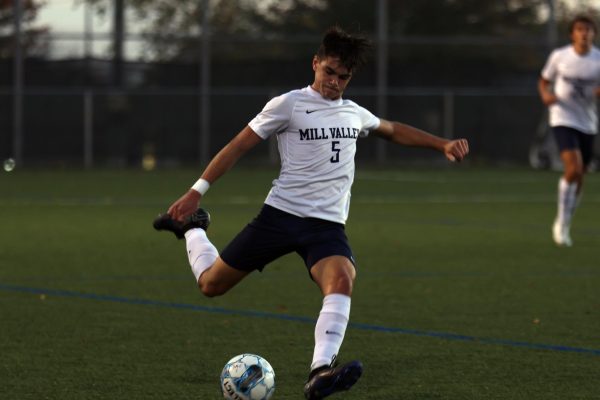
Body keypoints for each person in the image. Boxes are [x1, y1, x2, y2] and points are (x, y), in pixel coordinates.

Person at [154, 26, 469, 399]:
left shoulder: (353, 113)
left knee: (342, 281)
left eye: (343, 77)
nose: (334, 82)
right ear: (315, 63)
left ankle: (320, 371)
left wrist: (442, 144)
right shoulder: (287, 104)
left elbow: (392, 129)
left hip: (326, 226)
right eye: (329, 72)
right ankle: (193, 229)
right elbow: (238, 146)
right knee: (211, 285)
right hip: (280, 217)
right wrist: (196, 192)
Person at [538, 15, 600, 247]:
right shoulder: (560, 56)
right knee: (572, 167)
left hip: (588, 121)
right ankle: (561, 223)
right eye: (580, 29)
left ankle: (567, 220)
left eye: (588, 29)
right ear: (572, 34)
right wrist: (545, 95)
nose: (584, 33)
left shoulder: (598, 60)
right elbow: (543, 81)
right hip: (562, 117)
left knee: (580, 174)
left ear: (594, 34)